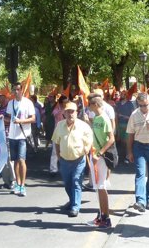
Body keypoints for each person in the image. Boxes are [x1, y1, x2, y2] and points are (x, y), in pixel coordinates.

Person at [51, 101, 93, 218]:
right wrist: (59, 156)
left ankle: (75, 206)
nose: (70, 114)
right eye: (68, 112)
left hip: (78, 159)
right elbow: (56, 141)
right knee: (67, 184)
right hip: (64, 160)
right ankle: (72, 200)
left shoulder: (83, 126)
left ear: (77, 112)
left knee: (76, 181)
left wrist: (87, 148)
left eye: (73, 112)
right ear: (64, 113)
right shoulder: (60, 125)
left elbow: (89, 140)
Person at [86, 94, 115, 228]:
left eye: (90, 104)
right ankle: (101, 214)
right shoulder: (97, 118)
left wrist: (100, 153)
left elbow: (111, 138)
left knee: (101, 186)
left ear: (96, 105)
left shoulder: (104, 118)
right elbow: (96, 132)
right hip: (94, 154)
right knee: (98, 187)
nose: (88, 106)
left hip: (100, 157)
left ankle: (106, 218)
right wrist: (88, 122)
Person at [5, 83, 35, 197]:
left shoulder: (28, 103)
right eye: (14, 90)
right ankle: (17, 184)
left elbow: (33, 119)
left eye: (18, 89)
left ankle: (23, 185)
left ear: (22, 90)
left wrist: (21, 121)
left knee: (22, 160)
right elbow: (8, 117)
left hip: (22, 135)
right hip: (12, 135)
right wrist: (3, 118)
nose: (16, 91)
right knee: (15, 161)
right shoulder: (10, 103)